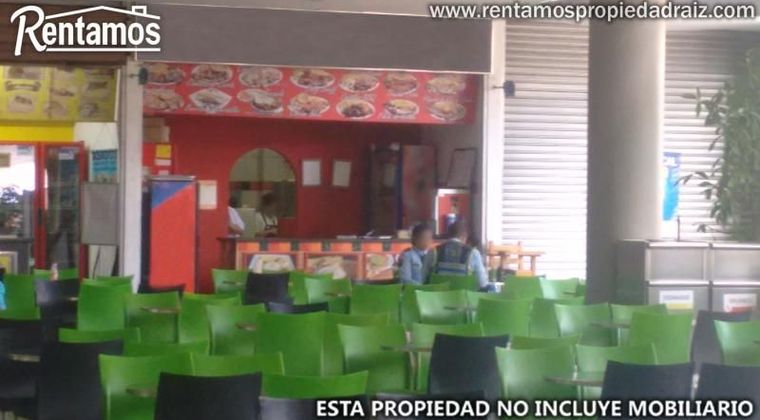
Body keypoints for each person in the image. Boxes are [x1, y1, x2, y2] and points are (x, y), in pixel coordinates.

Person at [433, 219, 493, 292]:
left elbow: (423, 279)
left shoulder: (434, 252)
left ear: (448, 235)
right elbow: (483, 283)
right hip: (464, 297)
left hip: (438, 297)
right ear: (464, 236)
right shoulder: (473, 253)